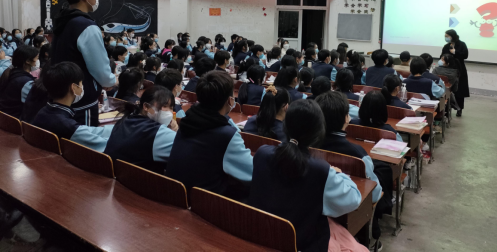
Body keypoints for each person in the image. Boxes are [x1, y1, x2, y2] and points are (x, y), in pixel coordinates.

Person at [248, 99, 366, 252]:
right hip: (302, 245)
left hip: (262, 237)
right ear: (319, 133)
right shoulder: (321, 170)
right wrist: (339, 173)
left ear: (285, 125)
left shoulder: (262, 153)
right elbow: (353, 199)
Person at [317, 91, 388, 249]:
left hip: (316, 206)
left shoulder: (310, 146)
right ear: (346, 118)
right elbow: (375, 193)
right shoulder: (358, 154)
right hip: (349, 211)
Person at [167, 71, 253, 199]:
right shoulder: (226, 135)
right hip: (206, 203)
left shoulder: (187, 119)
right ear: (229, 100)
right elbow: (252, 172)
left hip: (176, 195)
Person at [50, 0, 116, 126]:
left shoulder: (63, 20)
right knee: (82, 140)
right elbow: (100, 69)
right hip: (81, 101)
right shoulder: (86, 26)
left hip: (61, 96)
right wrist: (111, 80)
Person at [32, 62, 114, 152]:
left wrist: (116, 129)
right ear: (74, 87)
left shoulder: (43, 112)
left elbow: (87, 131)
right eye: (81, 83)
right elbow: (106, 145)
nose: (82, 87)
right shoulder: (67, 126)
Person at [104, 86, 178, 173]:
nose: (169, 112)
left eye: (171, 108)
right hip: (136, 179)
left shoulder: (126, 119)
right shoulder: (156, 132)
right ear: (146, 106)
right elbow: (183, 149)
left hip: (113, 175)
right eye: (164, 106)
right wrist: (175, 131)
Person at [0, 46, 38, 118]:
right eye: (36, 58)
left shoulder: (10, 72)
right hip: (15, 118)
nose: (37, 61)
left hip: (5, 116)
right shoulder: (26, 82)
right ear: (28, 61)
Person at [441, 29, 469, 116]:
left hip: (459, 70)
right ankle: (446, 109)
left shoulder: (462, 44)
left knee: (459, 91)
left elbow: (465, 55)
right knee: (447, 90)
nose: (446, 38)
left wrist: (455, 52)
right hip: (447, 71)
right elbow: (441, 56)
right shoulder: (446, 46)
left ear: (452, 36)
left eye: (447, 36)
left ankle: (459, 109)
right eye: (445, 36)